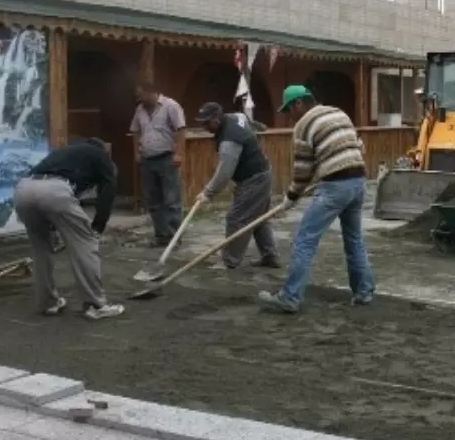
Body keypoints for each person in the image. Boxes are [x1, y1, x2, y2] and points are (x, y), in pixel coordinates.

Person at [258, 85, 375, 314]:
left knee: (304, 240)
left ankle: (289, 297)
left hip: (335, 186)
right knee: (354, 239)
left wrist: (290, 197)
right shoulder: (338, 113)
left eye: (289, 110)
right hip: (358, 181)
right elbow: (359, 146)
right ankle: (364, 293)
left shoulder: (304, 125)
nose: (289, 116)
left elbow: (302, 170)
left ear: (299, 104)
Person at [13, 138, 123, 320]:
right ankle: (96, 305)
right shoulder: (100, 155)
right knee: (85, 242)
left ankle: (48, 303)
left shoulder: (66, 153)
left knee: (41, 247)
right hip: (54, 190)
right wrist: (98, 226)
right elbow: (108, 189)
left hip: (24, 189)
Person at [194, 102, 281, 270]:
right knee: (258, 218)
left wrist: (208, 193)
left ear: (217, 120)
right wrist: (259, 126)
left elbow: (225, 172)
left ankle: (230, 260)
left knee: (236, 218)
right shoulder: (235, 117)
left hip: (254, 179)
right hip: (262, 172)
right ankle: (270, 255)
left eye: (206, 123)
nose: (204, 127)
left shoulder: (229, 140)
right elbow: (246, 119)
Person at [130, 82, 186, 246]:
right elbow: (135, 130)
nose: (138, 99)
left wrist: (179, 153)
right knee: (153, 200)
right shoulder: (139, 109)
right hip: (148, 159)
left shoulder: (171, 106)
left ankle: (174, 237)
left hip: (167, 158)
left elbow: (180, 130)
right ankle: (161, 236)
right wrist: (137, 152)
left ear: (151, 92)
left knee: (171, 200)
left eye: (140, 95)